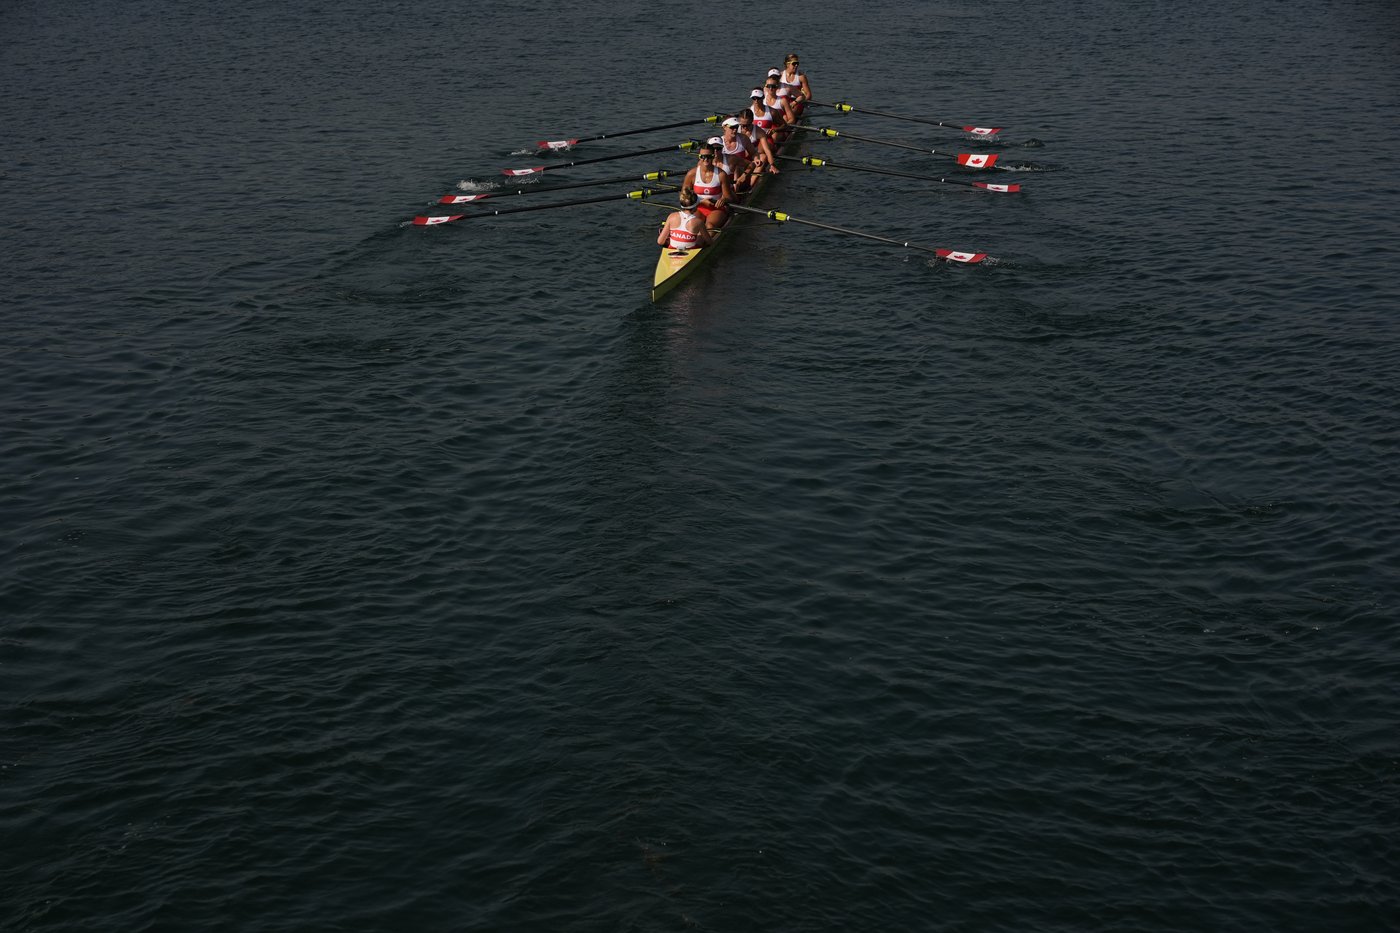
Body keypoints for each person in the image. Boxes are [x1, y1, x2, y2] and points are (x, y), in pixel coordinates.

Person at [680, 138, 734, 230]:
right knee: (690, 224)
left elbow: (728, 197)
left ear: (713, 156)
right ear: (699, 156)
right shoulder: (692, 174)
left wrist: (723, 200)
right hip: (697, 207)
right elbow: (684, 197)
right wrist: (700, 202)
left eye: (709, 156)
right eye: (703, 156)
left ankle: (708, 243)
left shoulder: (721, 174)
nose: (706, 159)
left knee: (709, 226)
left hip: (716, 209)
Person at [717, 117, 757, 192]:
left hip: (742, 175)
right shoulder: (718, 144)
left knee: (736, 168)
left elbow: (754, 153)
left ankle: (736, 191)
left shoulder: (743, 138)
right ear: (724, 127)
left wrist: (756, 159)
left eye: (736, 127)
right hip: (726, 176)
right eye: (732, 127)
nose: (735, 130)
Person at [736, 107, 779, 176]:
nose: (745, 128)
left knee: (763, 156)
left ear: (752, 121)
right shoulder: (735, 129)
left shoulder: (759, 132)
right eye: (743, 125)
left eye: (748, 125)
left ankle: (751, 183)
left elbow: (767, 150)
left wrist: (772, 165)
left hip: (755, 156)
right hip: (740, 157)